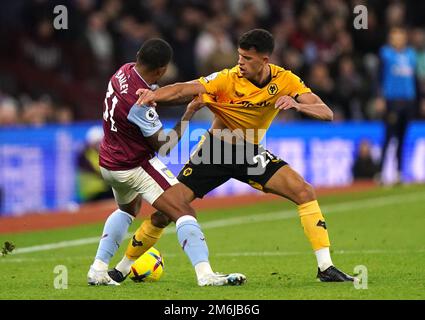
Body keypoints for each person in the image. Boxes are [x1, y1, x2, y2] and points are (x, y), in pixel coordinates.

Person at [110, 29, 356, 283]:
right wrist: (154, 95)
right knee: (167, 212)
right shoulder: (227, 79)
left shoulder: (285, 80)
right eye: (239, 56)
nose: (240, 62)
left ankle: (325, 267)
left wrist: (297, 105)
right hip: (215, 152)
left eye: (247, 58)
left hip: (249, 153)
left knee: (303, 191)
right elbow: (185, 88)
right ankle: (122, 267)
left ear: (264, 59)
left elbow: (326, 112)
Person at [87, 38, 246, 287]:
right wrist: (188, 115)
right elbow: (164, 146)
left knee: (128, 210)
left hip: (108, 162)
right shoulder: (140, 105)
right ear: (161, 69)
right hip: (134, 165)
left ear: (139, 55)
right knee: (184, 210)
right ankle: (205, 275)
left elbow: (159, 92)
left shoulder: (123, 71)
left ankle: (98, 269)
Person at [379, 27, 417, 184]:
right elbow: (379, 76)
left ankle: (399, 173)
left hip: (408, 101)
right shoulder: (386, 54)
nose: (398, 39)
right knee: (388, 138)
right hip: (392, 101)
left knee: (403, 138)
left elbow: (415, 79)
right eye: (395, 37)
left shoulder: (411, 55)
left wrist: (420, 98)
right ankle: (381, 173)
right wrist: (379, 97)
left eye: (400, 36)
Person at [77, 126, 113, 202]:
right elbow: (99, 172)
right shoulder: (86, 155)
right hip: (94, 192)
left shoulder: (103, 153)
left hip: (103, 190)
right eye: (98, 142)